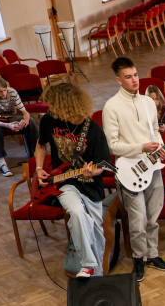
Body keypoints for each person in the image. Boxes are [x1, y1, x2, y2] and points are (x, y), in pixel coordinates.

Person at [102, 56, 165, 283]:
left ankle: (152, 255)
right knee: (138, 220)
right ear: (118, 80)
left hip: (153, 166)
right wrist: (141, 147)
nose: (135, 80)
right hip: (129, 171)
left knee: (153, 216)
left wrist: (160, 147)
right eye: (128, 77)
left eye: (135, 75)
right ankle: (139, 258)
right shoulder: (111, 107)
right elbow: (113, 146)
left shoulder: (148, 102)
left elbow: (155, 131)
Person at [34, 83, 111, 278]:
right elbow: (41, 145)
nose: (50, 108)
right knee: (76, 212)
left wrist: (92, 172)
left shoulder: (93, 129)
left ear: (64, 105)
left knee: (95, 232)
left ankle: (97, 278)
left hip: (91, 185)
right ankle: (87, 264)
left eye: (53, 105)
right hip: (63, 183)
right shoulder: (49, 121)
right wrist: (39, 168)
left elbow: (103, 164)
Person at [0, 76, 39, 177]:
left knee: (31, 121)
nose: (4, 93)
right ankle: (2, 162)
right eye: (0, 91)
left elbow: (25, 112)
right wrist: (8, 125)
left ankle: (37, 155)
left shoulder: (12, 92)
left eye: (5, 90)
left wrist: (25, 120)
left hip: (10, 116)